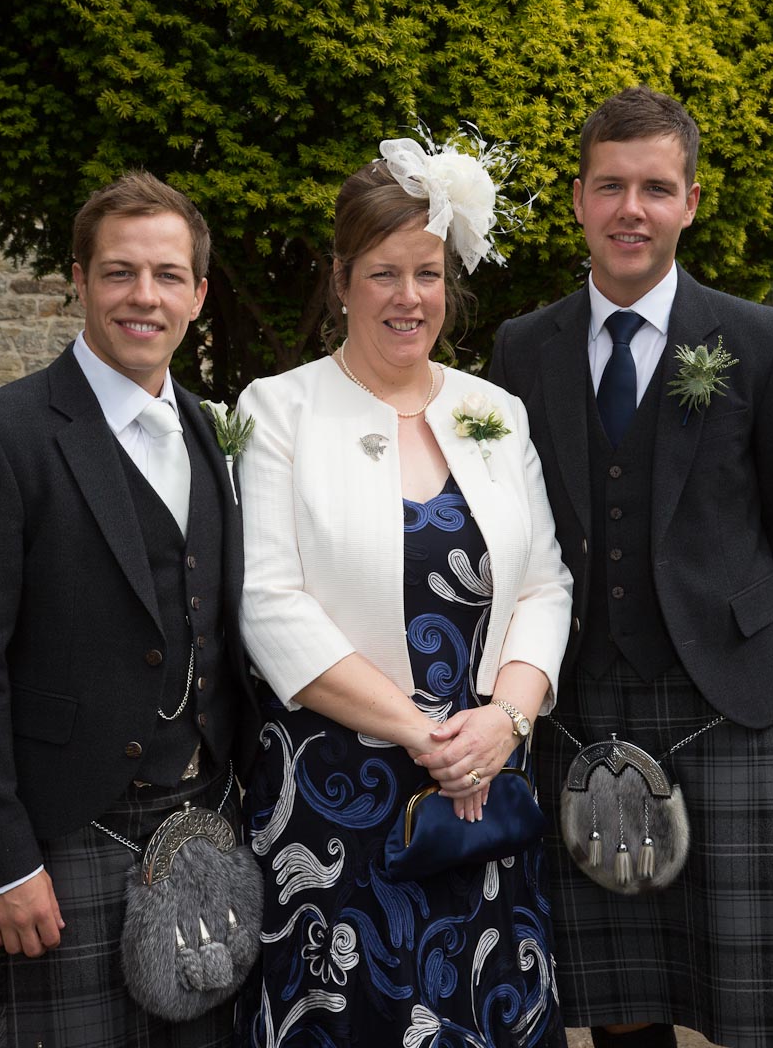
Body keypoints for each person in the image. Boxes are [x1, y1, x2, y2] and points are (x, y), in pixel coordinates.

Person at [233, 128, 574, 1047]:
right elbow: (271, 604)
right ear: (341, 280)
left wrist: (504, 722)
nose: (408, 297)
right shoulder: (280, 409)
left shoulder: (494, 412)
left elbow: (545, 586)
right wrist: (425, 734)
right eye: (383, 273)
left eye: (427, 273)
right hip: (339, 803)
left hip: (483, 795)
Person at [490, 85, 773, 1048]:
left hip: (729, 702)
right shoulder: (521, 349)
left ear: (690, 202)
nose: (633, 209)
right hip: (580, 708)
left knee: (758, 1003)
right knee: (617, 1006)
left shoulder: (765, 342)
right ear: (579, 199)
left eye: (656, 189)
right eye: (611, 186)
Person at [0, 171, 259, 1046]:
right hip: (62, 838)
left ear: (198, 294)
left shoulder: (210, 432)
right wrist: (7, 864)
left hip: (205, 820)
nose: (143, 296)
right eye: (118, 272)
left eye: (167, 275)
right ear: (80, 279)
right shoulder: (13, 433)